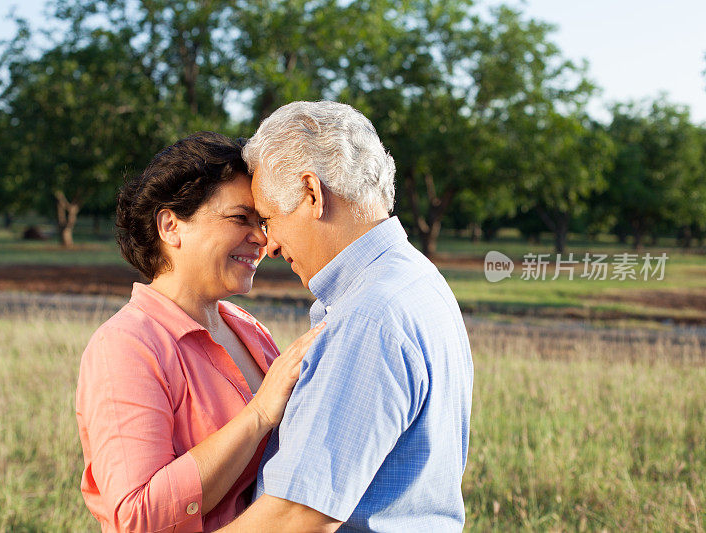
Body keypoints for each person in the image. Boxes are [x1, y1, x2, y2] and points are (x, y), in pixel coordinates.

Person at [219, 101, 474, 532]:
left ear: (312, 193)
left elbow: (297, 515)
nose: (271, 245)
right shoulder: (416, 279)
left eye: (268, 219)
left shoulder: (370, 315)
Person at [75, 132, 324, 532]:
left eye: (261, 222)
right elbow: (137, 517)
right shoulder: (125, 346)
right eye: (240, 218)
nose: (262, 238)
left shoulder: (248, 328)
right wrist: (258, 415)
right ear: (171, 226)